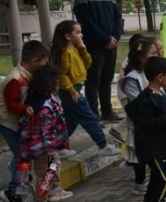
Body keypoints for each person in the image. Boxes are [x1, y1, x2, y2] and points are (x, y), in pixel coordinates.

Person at [0, 40, 54, 202]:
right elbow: (11, 104)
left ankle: (20, 186)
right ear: (34, 61)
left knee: (23, 158)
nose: (46, 66)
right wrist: (25, 109)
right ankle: (14, 191)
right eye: (44, 62)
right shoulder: (15, 79)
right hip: (8, 122)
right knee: (21, 157)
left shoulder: (28, 75)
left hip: (20, 123)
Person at [50, 20, 118, 156]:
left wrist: (83, 50)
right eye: (78, 32)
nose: (81, 35)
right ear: (68, 36)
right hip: (71, 90)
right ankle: (103, 145)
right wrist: (71, 91)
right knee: (89, 118)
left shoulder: (75, 50)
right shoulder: (65, 52)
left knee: (70, 121)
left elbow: (88, 64)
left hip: (76, 87)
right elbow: (62, 74)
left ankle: (57, 145)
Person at [125, 57, 166, 202]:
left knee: (160, 178)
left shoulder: (161, 93)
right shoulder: (146, 100)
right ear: (160, 77)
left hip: (163, 145)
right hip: (151, 147)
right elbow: (148, 124)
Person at [20, 66, 73, 202]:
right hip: (42, 148)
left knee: (53, 166)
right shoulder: (44, 106)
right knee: (45, 174)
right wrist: (51, 149)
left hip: (38, 145)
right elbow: (47, 130)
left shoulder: (35, 97)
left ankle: (53, 191)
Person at [73, 0, 123, 121]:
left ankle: (107, 112)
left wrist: (115, 37)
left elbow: (118, 19)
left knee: (106, 80)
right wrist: (105, 39)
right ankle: (93, 114)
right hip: (94, 46)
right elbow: (86, 23)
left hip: (111, 45)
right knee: (93, 80)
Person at [117, 35, 158, 194]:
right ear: (141, 56)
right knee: (139, 154)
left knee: (144, 152)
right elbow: (138, 102)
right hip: (140, 122)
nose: (156, 56)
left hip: (150, 120)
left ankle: (144, 179)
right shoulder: (132, 78)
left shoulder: (148, 73)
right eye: (152, 53)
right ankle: (140, 183)